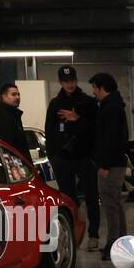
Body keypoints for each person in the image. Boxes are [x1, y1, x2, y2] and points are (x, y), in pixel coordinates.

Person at [45, 66, 100, 250]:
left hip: (84, 157)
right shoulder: (55, 104)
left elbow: (95, 130)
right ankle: (71, 236)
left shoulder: (88, 102)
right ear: (61, 82)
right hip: (63, 159)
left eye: (72, 80)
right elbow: (49, 131)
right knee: (68, 200)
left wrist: (78, 120)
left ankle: (94, 235)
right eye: (65, 81)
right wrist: (53, 156)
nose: (69, 84)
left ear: (76, 80)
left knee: (92, 197)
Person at [88, 71, 129, 259]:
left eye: (95, 88)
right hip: (115, 163)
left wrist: (104, 164)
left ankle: (114, 243)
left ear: (102, 87)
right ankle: (121, 240)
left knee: (110, 204)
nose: (94, 92)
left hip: (110, 165)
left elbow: (110, 139)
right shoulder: (113, 105)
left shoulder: (110, 108)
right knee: (116, 203)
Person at [0, 83, 31, 161]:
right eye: (13, 94)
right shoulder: (4, 117)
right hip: (16, 163)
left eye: (18, 94)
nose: (17, 97)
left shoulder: (14, 115)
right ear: (4, 96)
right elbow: (7, 145)